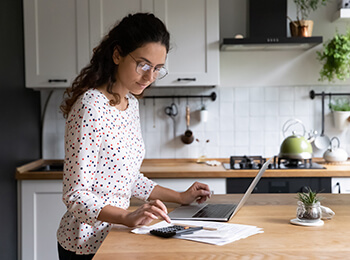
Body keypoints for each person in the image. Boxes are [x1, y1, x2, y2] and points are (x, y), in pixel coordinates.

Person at [57, 13, 211, 260]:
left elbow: (128, 179)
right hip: (86, 244)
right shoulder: (90, 107)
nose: (150, 77)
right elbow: (76, 196)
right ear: (117, 55)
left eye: (158, 69)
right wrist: (127, 216)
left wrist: (181, 197)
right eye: (143, 65)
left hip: (118, 235)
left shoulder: (130, 104)